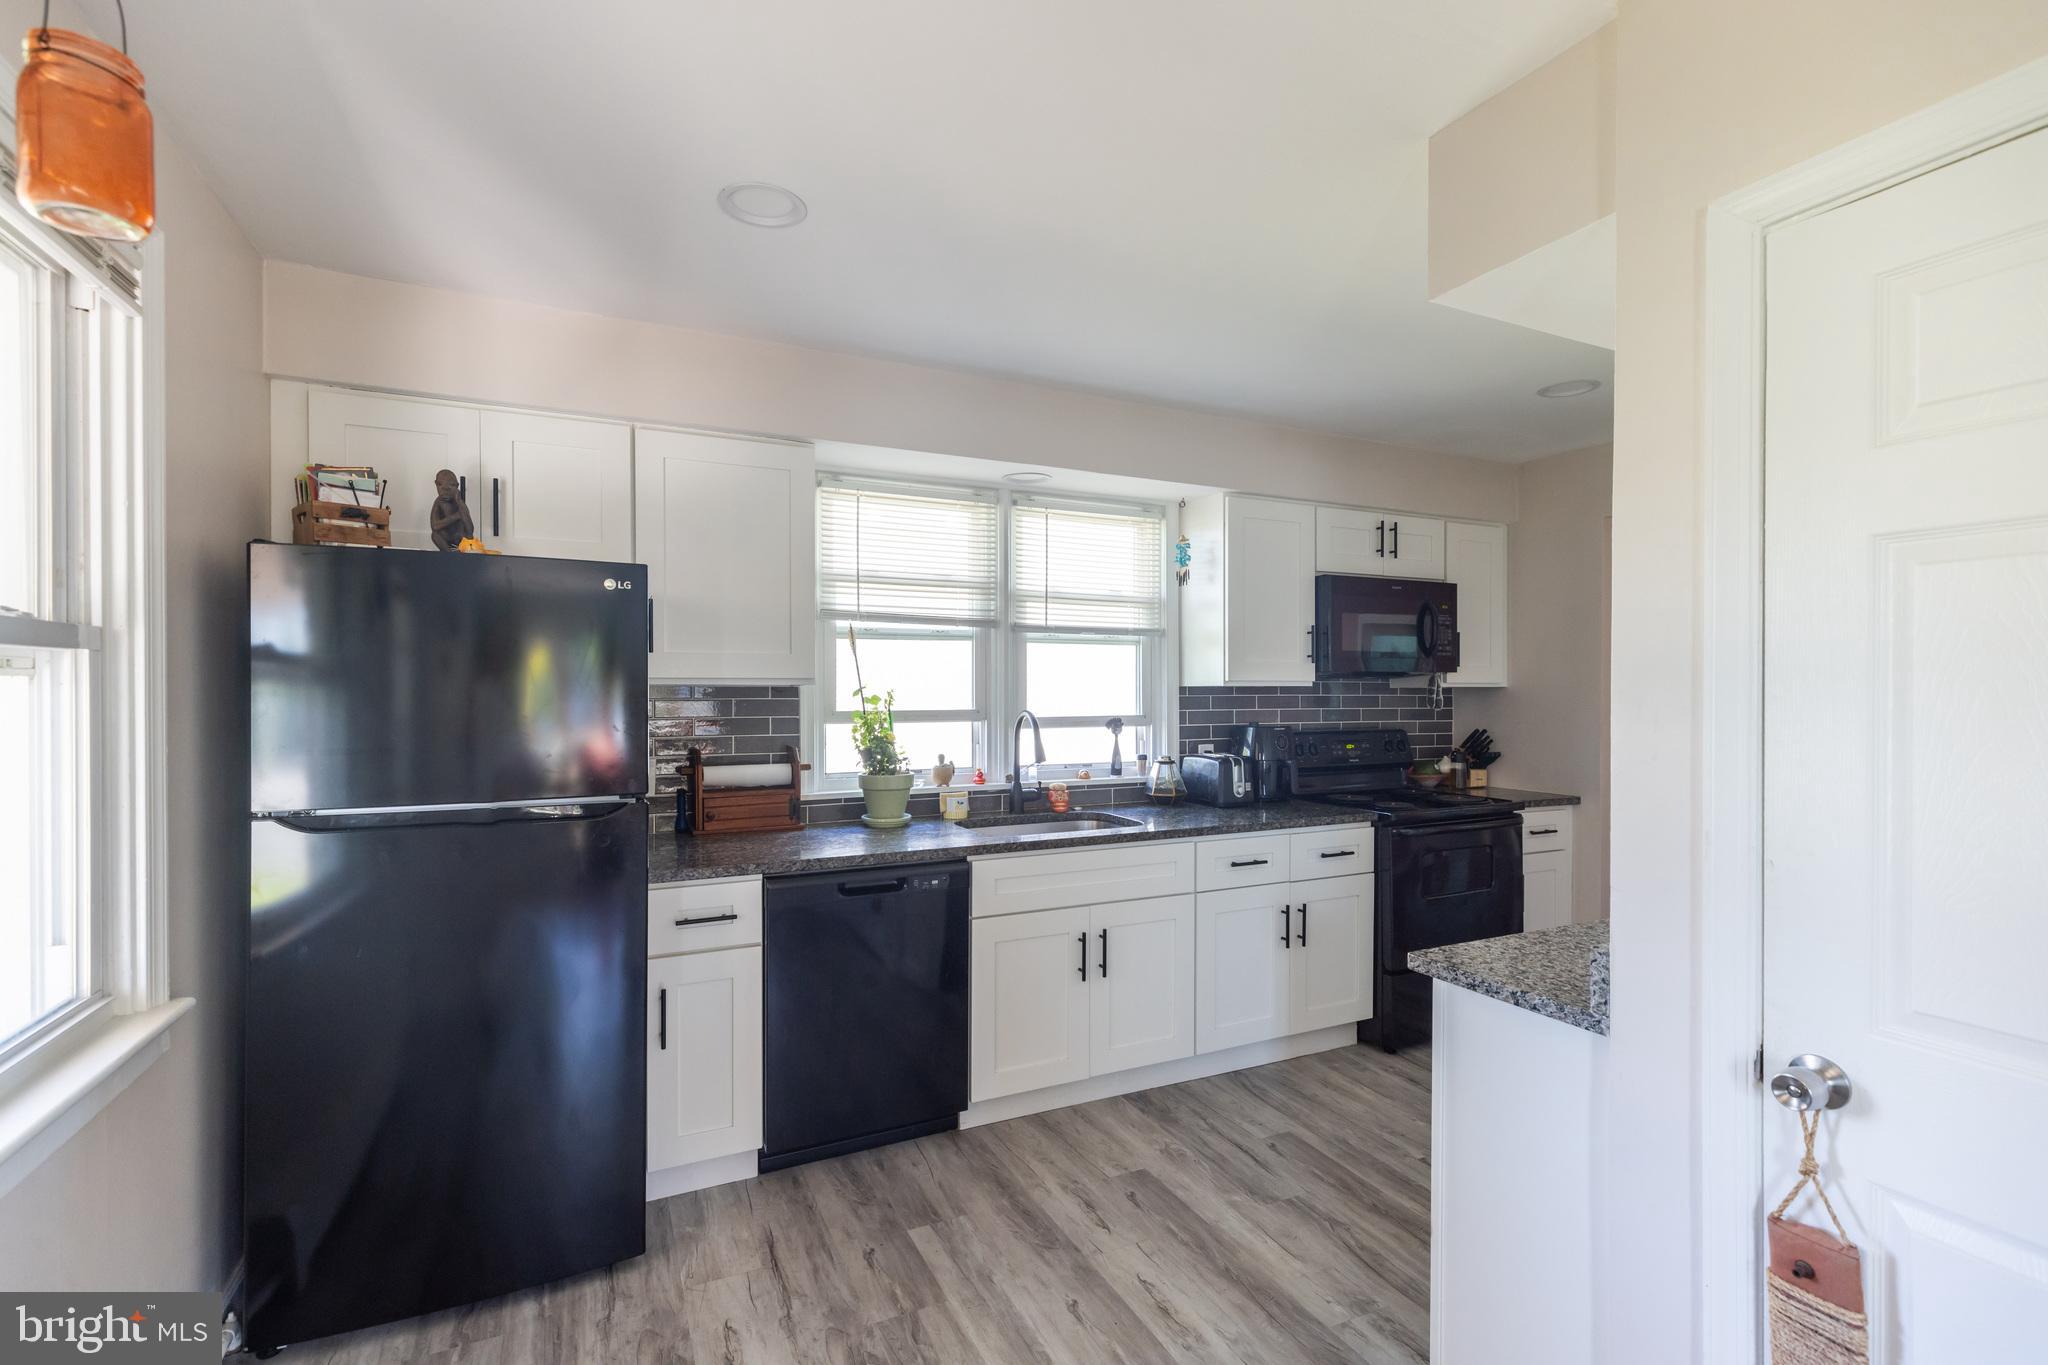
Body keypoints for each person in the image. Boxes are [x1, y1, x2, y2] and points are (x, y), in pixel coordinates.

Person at [429, 468, 473, 550]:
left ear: (456, 487)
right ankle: (448, 554)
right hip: (447, 536)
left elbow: (470, 531)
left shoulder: (459, 502)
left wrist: (459, 502)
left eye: (449, 489)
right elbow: (434, 526)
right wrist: (456, 516)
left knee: (466, 537)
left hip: (460, 536)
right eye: (442, 489)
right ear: (437, 485)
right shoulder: (438, 502)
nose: (445, 493)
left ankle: (456, 554)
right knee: (435, 535)